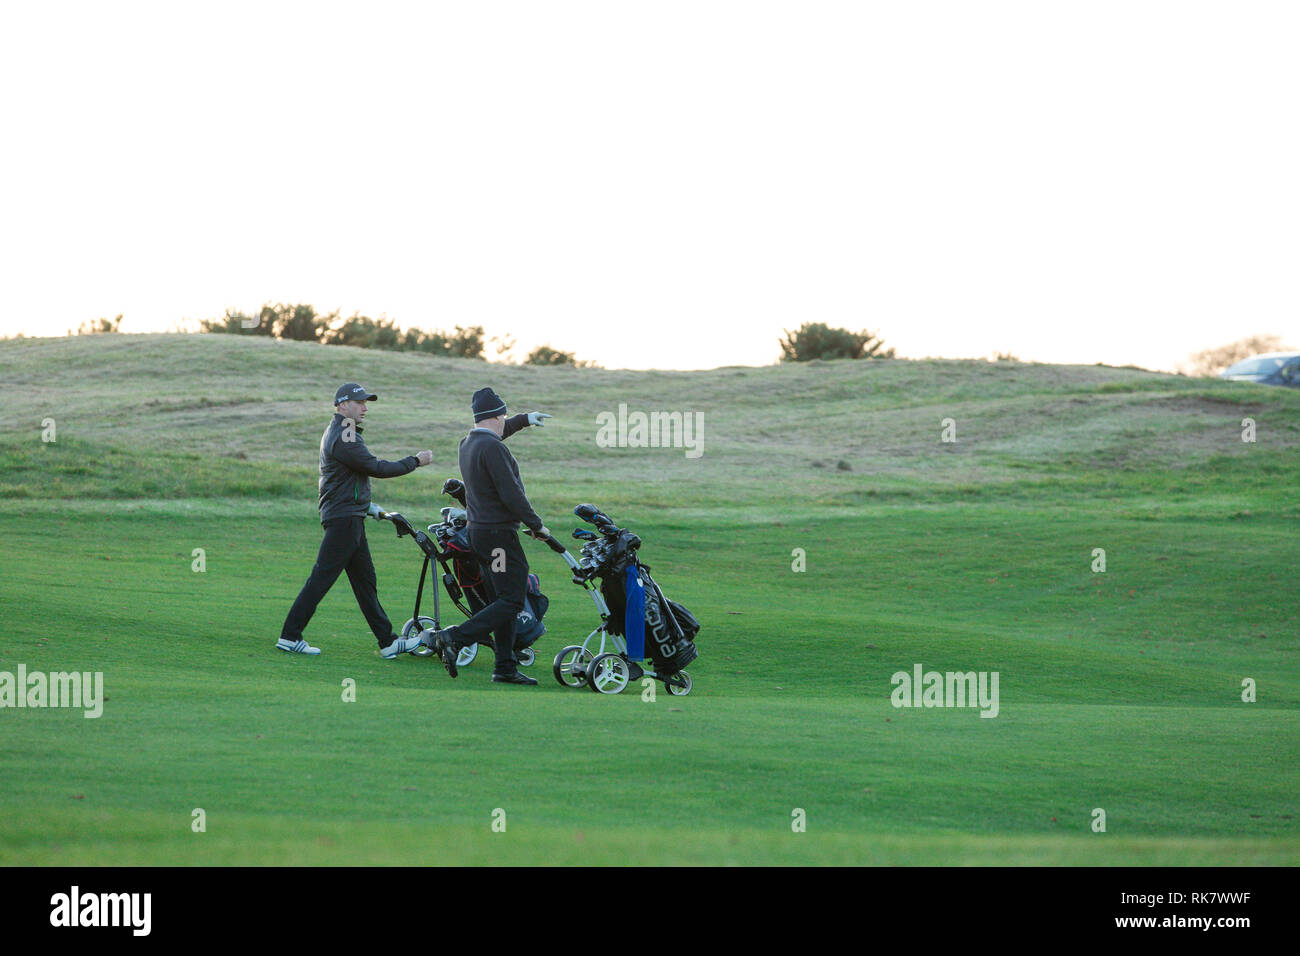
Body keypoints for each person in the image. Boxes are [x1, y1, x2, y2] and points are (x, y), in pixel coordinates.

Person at [276, 382, 434, 657]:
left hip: (349, 515)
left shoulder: (343, 432)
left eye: (366, 402)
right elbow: (375, 467)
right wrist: (415, 461)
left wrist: (367, 506)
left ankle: (387, 642)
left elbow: (350, 477)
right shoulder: (345, 433)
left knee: (365, 583)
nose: (365, 408)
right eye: (359, 402)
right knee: (322, 578)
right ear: (341, 405)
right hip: (344, 519)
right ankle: (290, 636)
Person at [422, 387, 552, 684]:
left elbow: (493, 438)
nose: (505, 422)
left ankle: (504, 667)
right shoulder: (493, 448)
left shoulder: (468, 443)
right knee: (511, 600)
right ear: (495, 417)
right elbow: (511, 494)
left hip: (479, 534)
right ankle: (453, 638)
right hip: (499, 538)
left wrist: (525, 419)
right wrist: (536, 524)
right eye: (504, 417)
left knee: (500, 600)